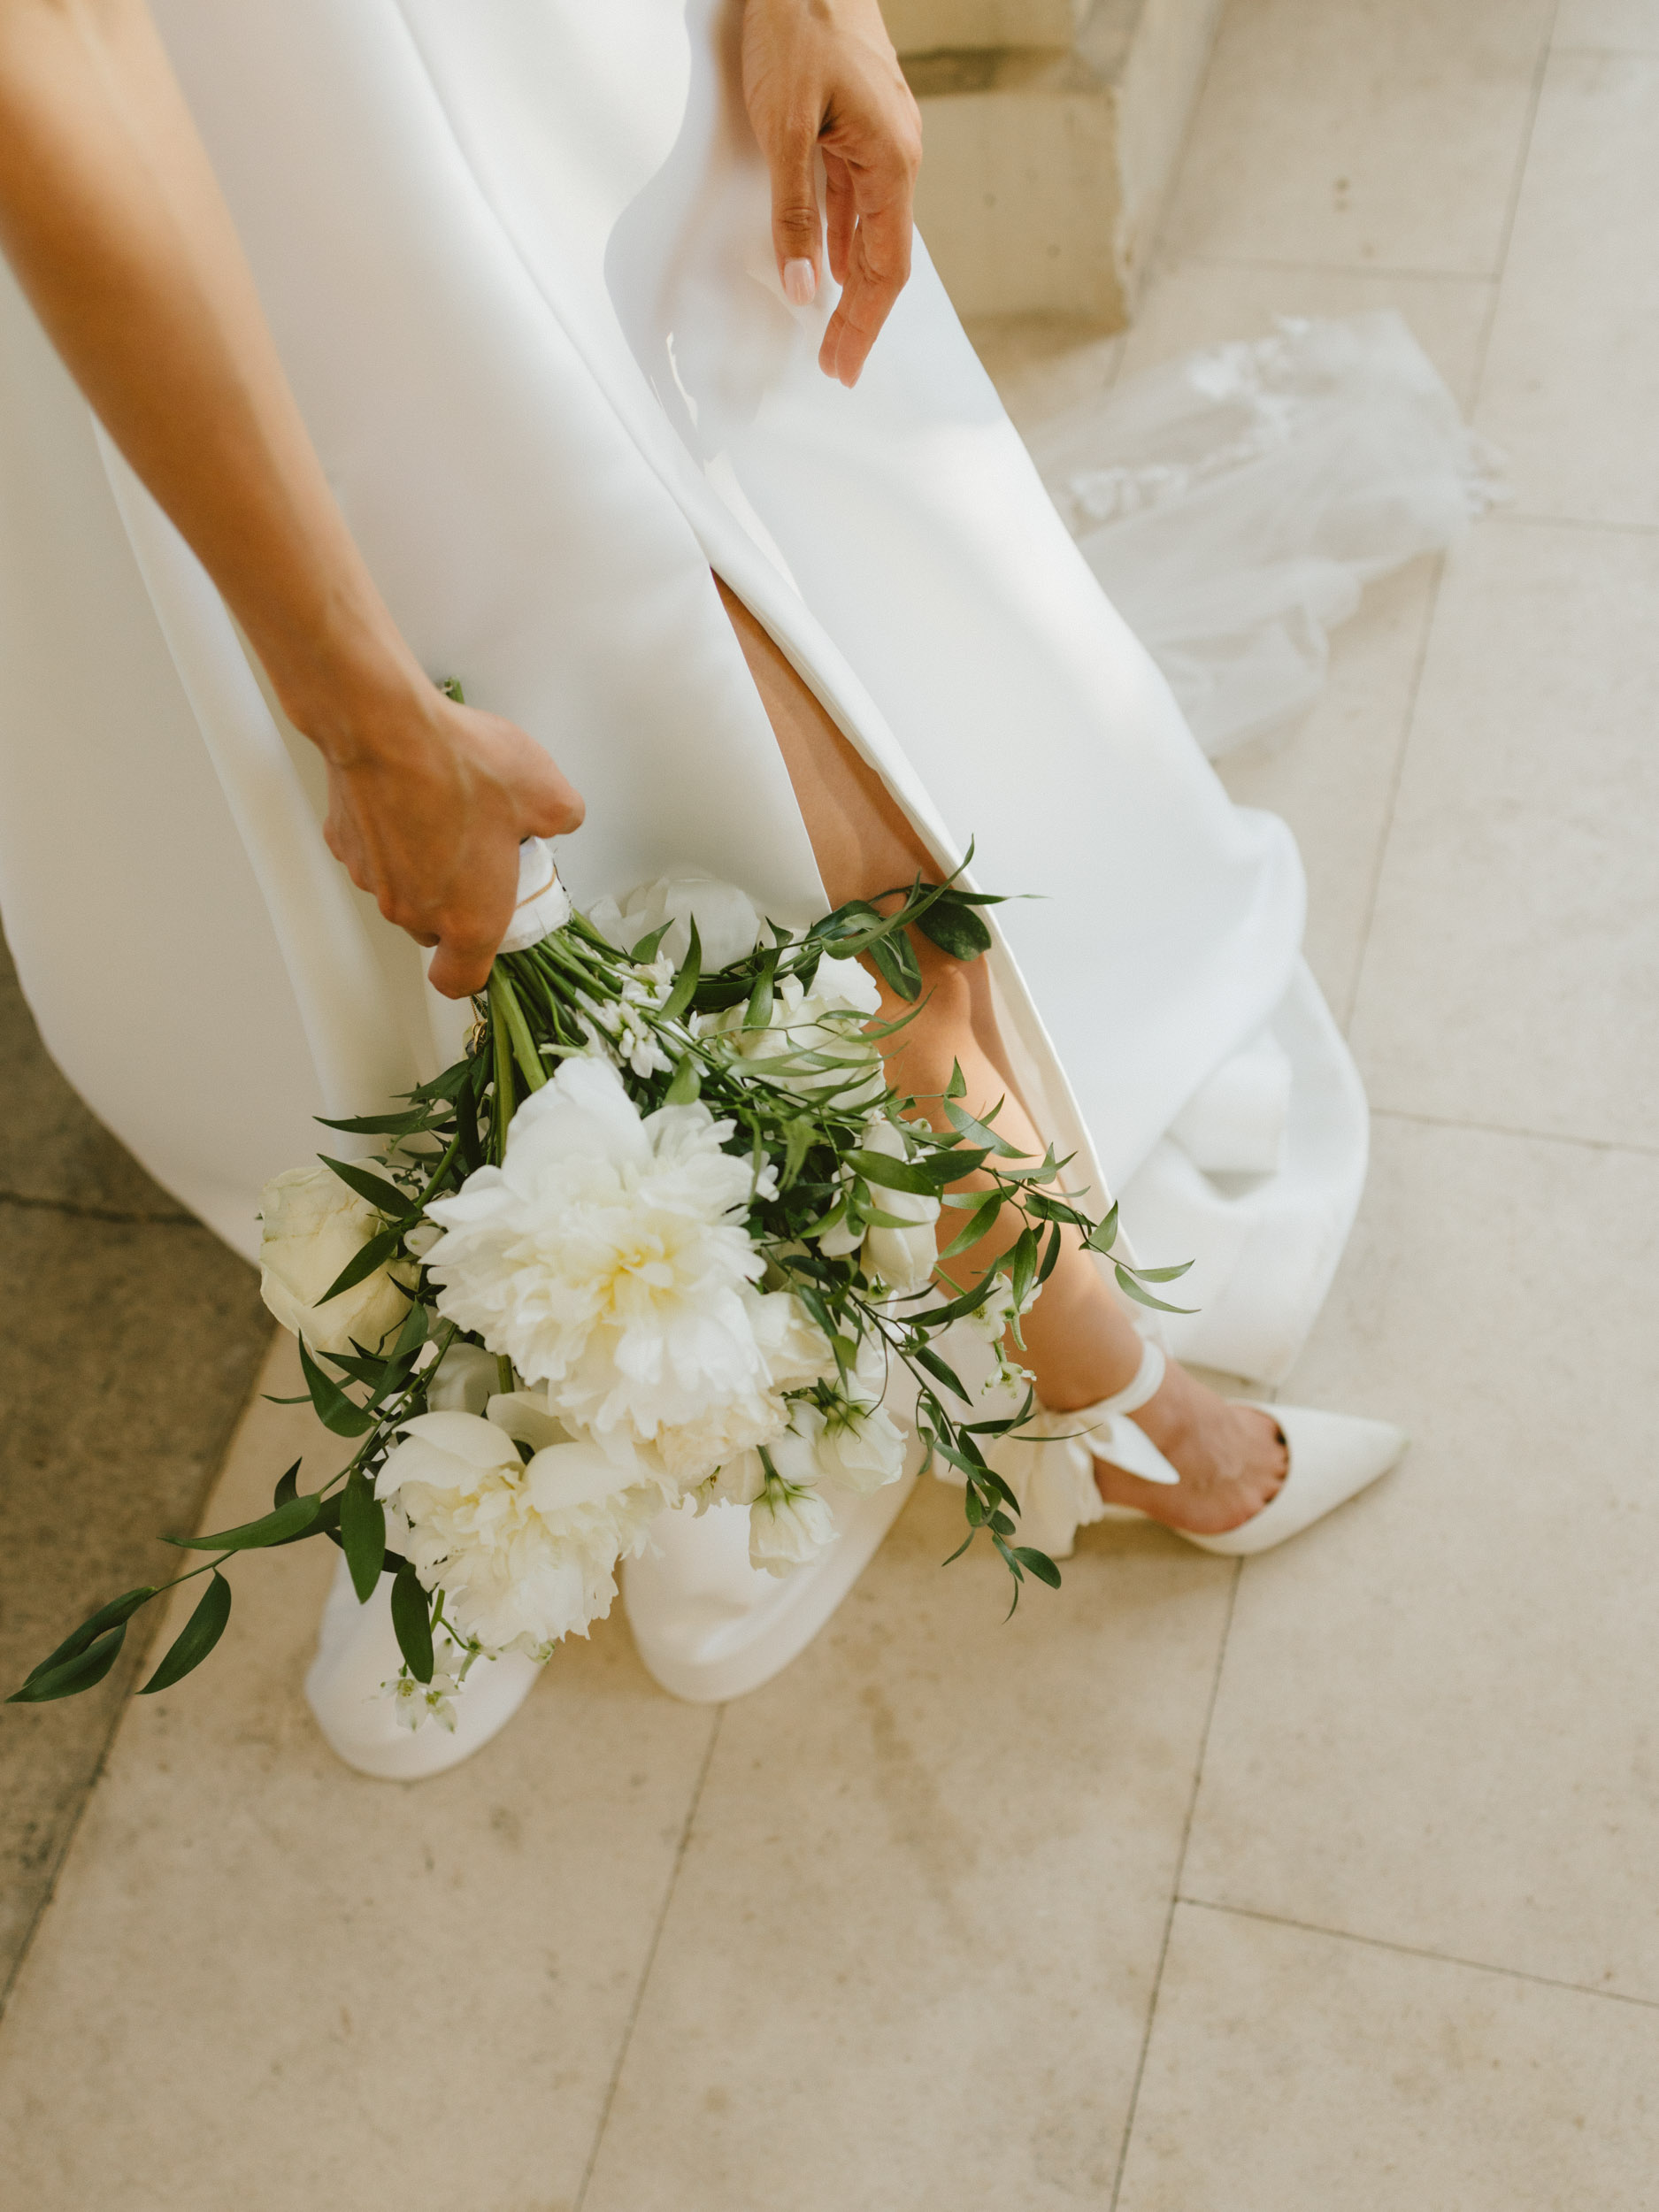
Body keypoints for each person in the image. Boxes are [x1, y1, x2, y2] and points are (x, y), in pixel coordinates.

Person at [0, 0, 1402, 1772]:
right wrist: (359, 714)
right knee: (811, 851)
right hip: (299, 206)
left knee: (818, 652)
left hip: (575, 76)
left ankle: (928, 1344)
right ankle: (1105, 1404)